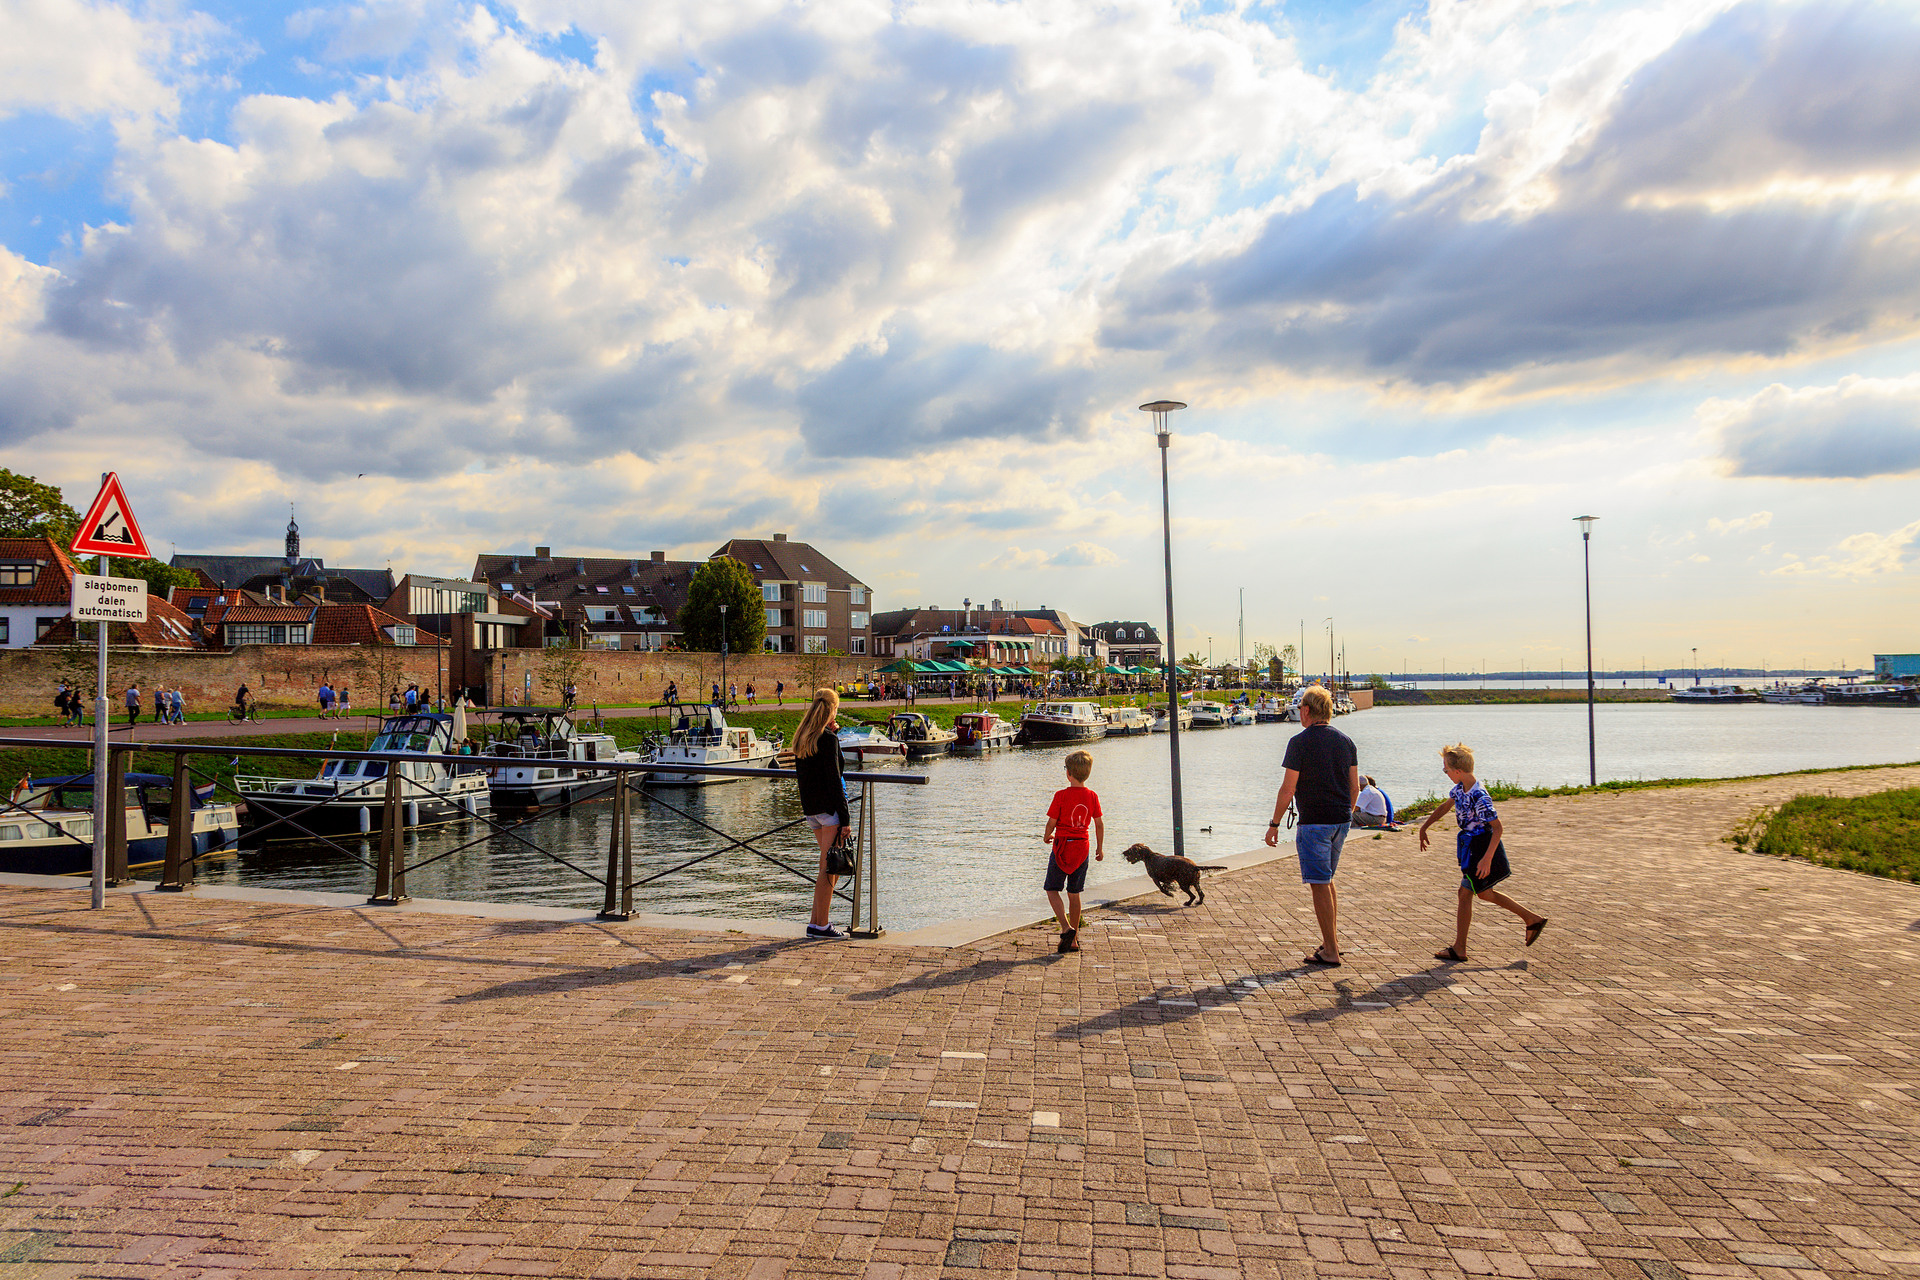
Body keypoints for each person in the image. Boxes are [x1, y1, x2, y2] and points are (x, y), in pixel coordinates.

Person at [1418, 743, 1548, 962]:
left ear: (1457, 771)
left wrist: (1487, 859)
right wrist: (1424, 826)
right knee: (1483, 893)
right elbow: (1446, 806)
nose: (1446, 773)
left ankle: (1460, 948)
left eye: (1446, 770)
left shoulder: (1480, 796)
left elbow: (1497, 828)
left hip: (1483, 848)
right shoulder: (1460, 788)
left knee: (1467, 894)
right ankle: (1531, 919)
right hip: (1472, 847)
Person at [1262, 686, 1358, 967]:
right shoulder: (1346, 742)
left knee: (1319, 884)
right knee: (1327, 880)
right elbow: (1354, 788)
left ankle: (1330, 950)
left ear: (1306, 710)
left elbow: (1287, 789)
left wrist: (1274, 824)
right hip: (1341, 820)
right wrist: (1346, 814)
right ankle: (1332, 942)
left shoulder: (1299, 743)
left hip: (1315, 822)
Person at [791, 688, 850, 940]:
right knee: (829, 869)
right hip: (829, 810)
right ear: (831, 709)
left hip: (812, 811)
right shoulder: (827, 740)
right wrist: (845, 819)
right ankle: (822, 925)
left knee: (828, 866)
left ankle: (816, 923)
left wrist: (831, 734)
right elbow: (835, 780)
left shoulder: (805, 736)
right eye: (836, 709)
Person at [1042, 749, 1104, 953]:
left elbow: (1052, 821)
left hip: (1062, 847)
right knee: (1074, 893)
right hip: (1082, 847)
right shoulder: (1092, 796)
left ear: (1068, 773)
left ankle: (1066, 927)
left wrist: (1046, 835)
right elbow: (1099, 824)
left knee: (1052, 889)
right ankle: (1074, 939)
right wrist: (1099, 848)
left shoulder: (1060, 795)